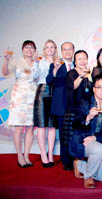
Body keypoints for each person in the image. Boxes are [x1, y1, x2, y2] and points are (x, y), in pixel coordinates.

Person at [70, 74, 102, 189]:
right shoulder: (85, 102)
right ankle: (88, 177)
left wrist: (95, 138)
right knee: (100, 149)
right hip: (82, 141)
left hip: (96, 142)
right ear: (94, 89)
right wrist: (88, 117)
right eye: (100, 87)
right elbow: (75, 123)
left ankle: (80, 165)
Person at [2, 40, 39, 167]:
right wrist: (6, 60)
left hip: (32, 98)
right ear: (22, 49)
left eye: (31, 47)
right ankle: (19, 156)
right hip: (19, 98)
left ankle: (27, 156)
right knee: (18, 128)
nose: (29, 49)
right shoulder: (17, 61)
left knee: (30, 128)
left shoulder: (37, 62)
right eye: (26, 47)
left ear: (35, 50)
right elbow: (5, 73)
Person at [46, 41, 75, 170]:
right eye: (65, 49)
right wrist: (55, 70)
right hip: (61, 105)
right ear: (61, 52)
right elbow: (49, 81)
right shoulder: (55, 65)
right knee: (64, 135)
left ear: (74, 50)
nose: (67, 52)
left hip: (75, 106)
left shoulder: (78, 64)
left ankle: (75, 158)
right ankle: (66, 161)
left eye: (70, 49)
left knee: (75, 134)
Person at [33, 39, 58, 167]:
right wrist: (35, 64)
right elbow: (34, 76)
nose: (49, 49)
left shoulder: (58, 62)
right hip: (42, 91)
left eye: (52, 47)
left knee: (52, 126)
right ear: (44, 49)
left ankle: (50, 154)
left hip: (55, 93)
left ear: (55, 49)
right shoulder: (39, 61)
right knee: (42, 126)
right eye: (47, 47)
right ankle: (43, 153)